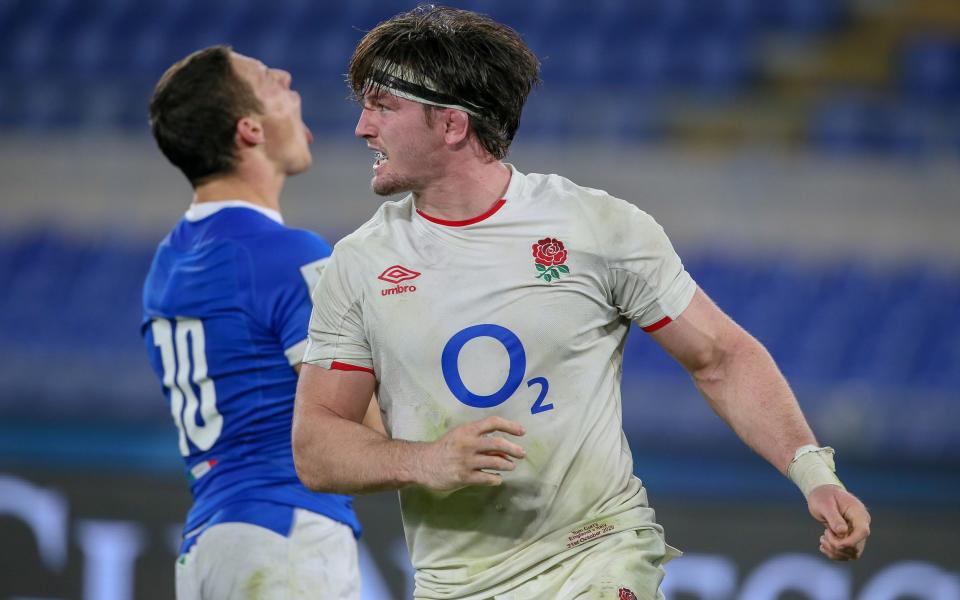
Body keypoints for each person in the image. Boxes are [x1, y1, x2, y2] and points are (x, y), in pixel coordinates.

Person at [292, 7, 871, 600]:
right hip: (455, 584)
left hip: (595, 556)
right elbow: (317, 445)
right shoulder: (359, 264)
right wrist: (424, 461)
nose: (363, 128)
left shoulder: (596, 227)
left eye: (383, 106)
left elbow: (720, 357)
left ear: (452, 124)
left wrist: (814, 474)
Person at [142, 45, 380, 600]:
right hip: (284, 539)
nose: (288, 76)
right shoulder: (286, 255)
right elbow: (374, 430)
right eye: (269, 79)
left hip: (207, 545)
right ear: (249, 130)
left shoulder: (167, 264)